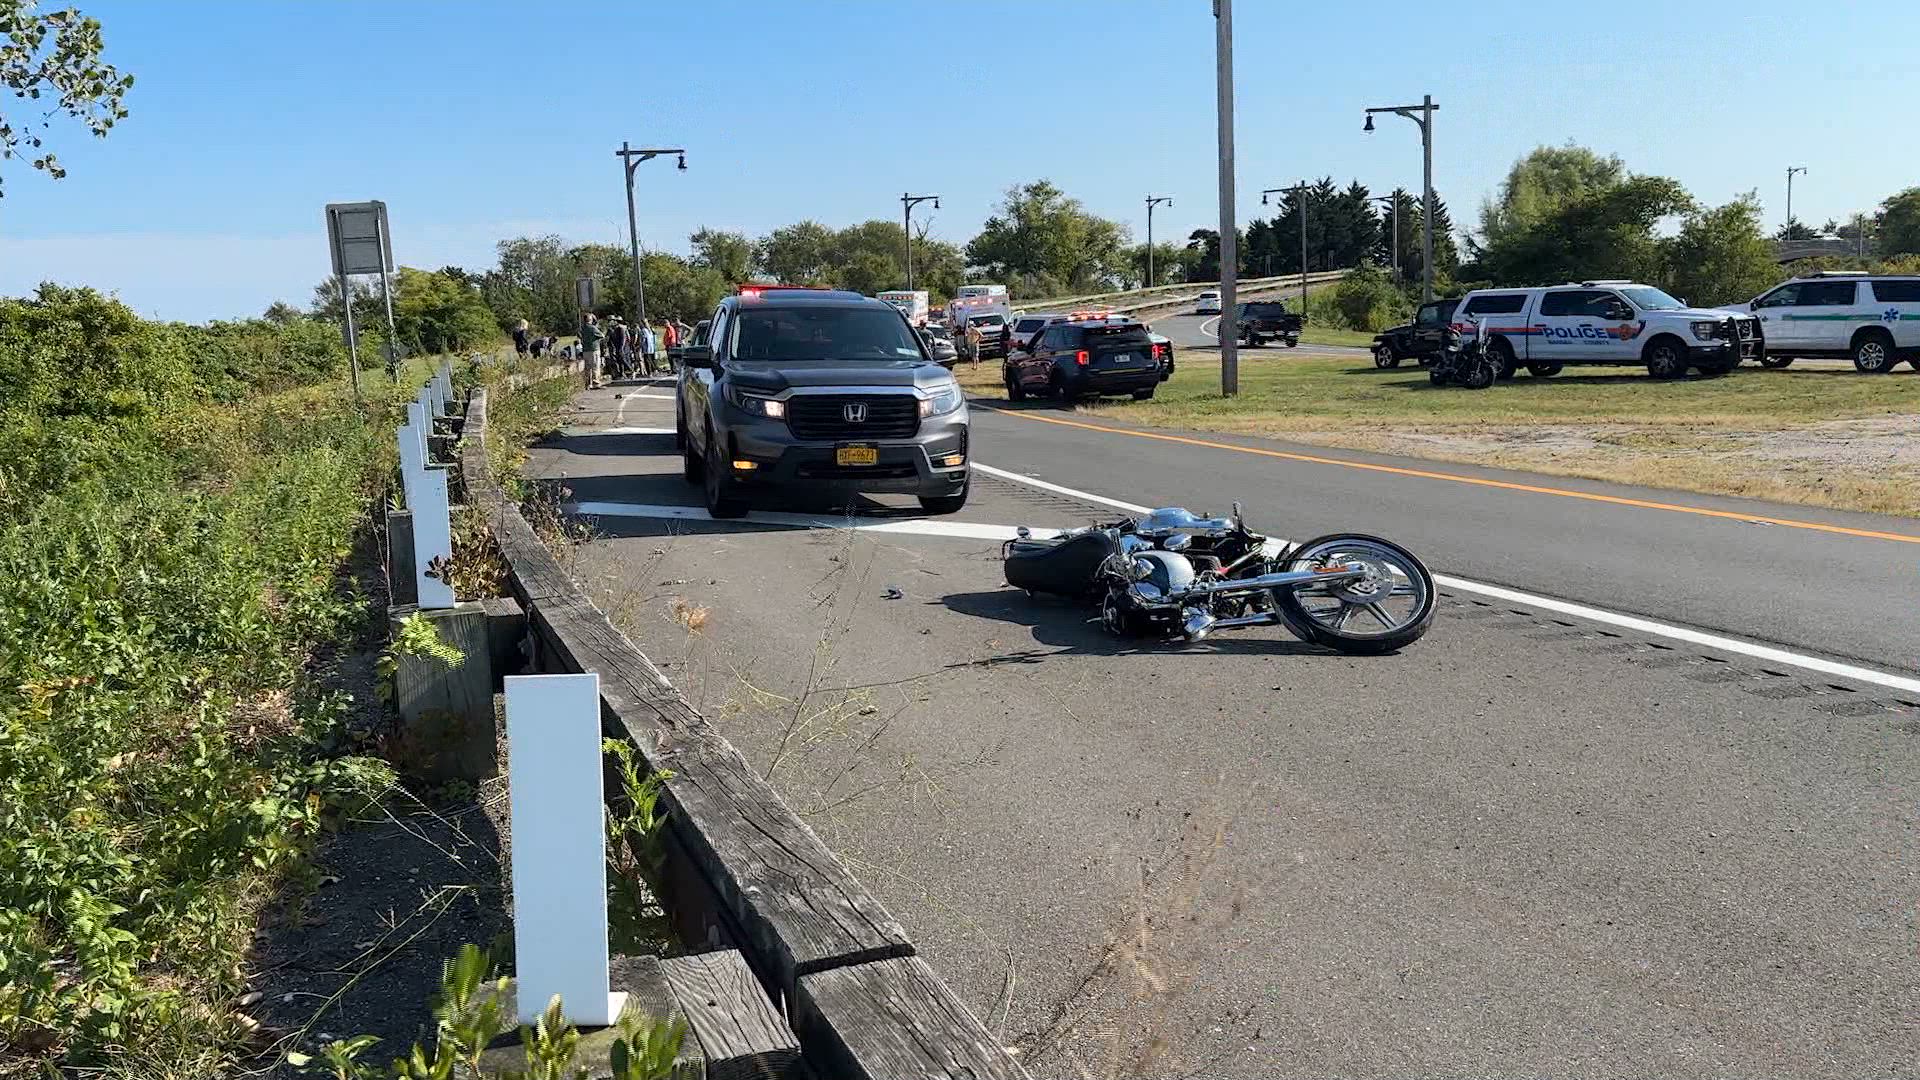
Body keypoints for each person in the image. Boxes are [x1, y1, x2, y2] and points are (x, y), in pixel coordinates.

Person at [580, 313, 605, 389]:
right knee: (595, 366)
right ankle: (596, 382)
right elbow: (602, 335)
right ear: (590, 320)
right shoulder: (592, 328)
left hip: (585, 349)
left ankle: (588, 384)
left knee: (587, 368)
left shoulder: (582, 328)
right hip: (594, 349)